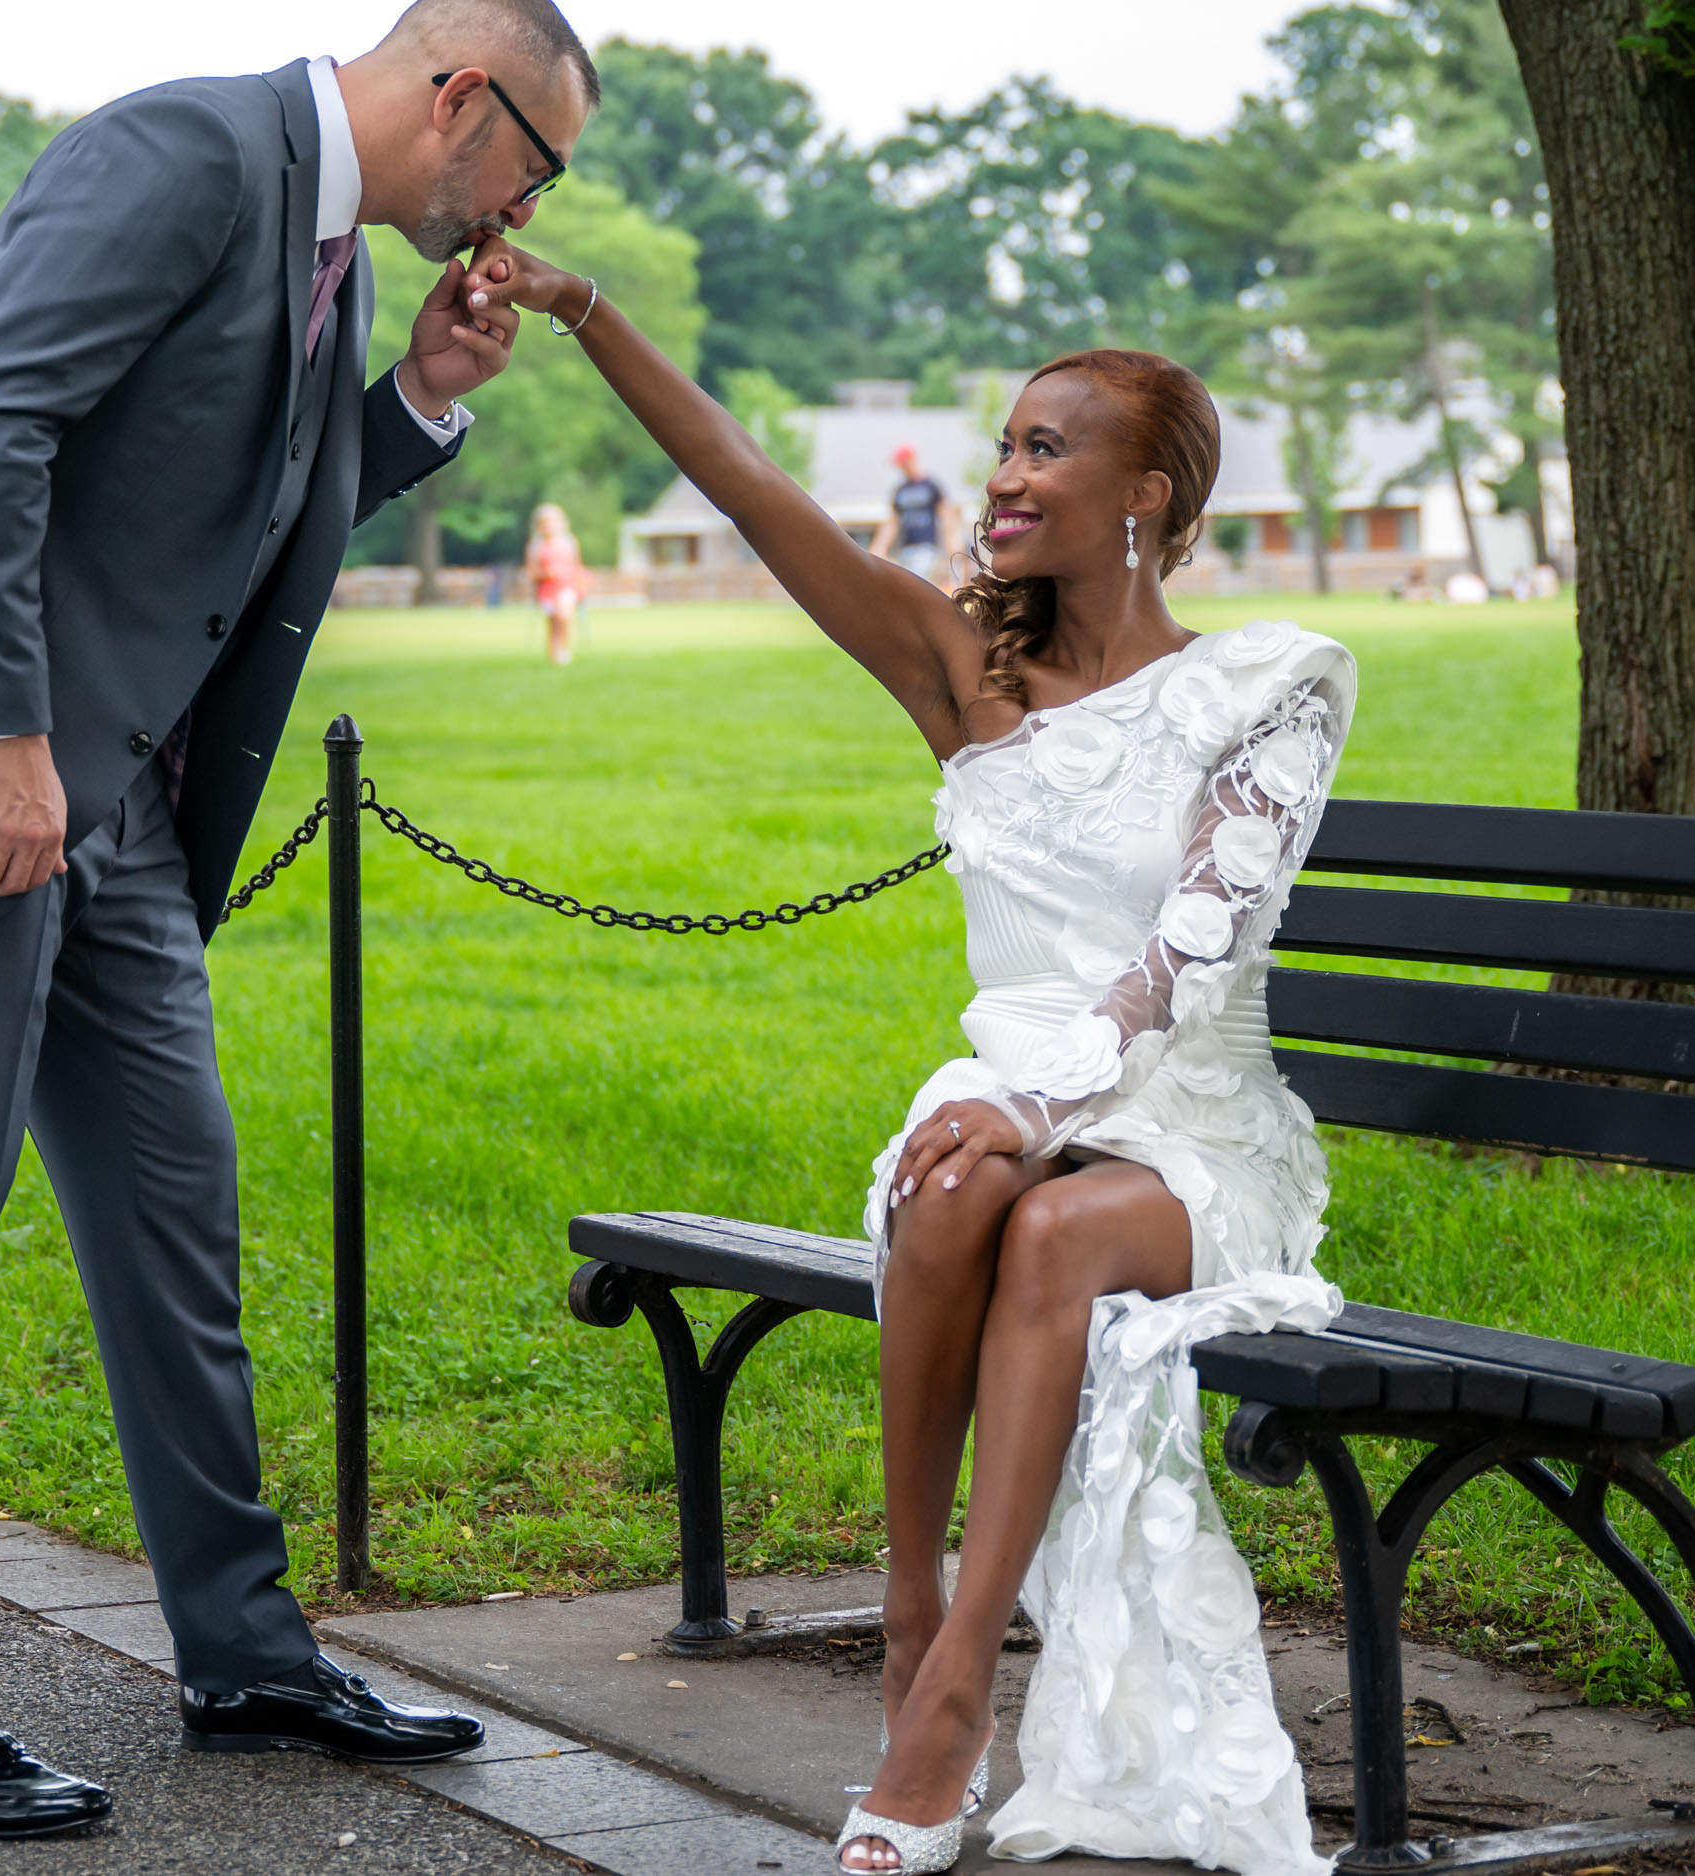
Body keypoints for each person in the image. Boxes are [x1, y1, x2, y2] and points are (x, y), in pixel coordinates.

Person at [0, 0, 594, 1842]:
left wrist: (423, 397)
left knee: (175, 1226)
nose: (526, 216)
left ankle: (243, 1651)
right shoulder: (179, 153)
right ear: (463, 99)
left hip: (109, 800)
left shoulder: (337, 253)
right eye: (535, 166)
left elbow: (237, 525)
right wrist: (6, 737)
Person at [471, 242, 1352, 1876]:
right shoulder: (964, 671)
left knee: (1057, 1221)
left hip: (1183, 1134)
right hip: (999, 1105)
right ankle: (911, 1617)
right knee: (960, 1200)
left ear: (1147, 492)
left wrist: (1042, 1104)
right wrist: (586, 310)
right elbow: (744, 486)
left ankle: (952, 1703)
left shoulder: (1267, 686)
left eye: (1043, 449)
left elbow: (1200, 943)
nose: (1000, 477)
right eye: (1002, 445)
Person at [871, 443, 956, 589]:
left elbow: (946, 513)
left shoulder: (930, 485)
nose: (901, 468)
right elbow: (893, 521)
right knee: (907, 584)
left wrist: (951, 542)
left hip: (926, 547)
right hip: (905, 549)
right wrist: (879, 547)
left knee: (915, 584)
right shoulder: (900, 490)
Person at [524, 501, 587, 664]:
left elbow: (577, 566)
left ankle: (565, 651)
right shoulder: (536, 546)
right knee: (553, 624)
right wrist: (547, 573)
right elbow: (531, 571)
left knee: (564, 617)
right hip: (547, 589)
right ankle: (554, 654)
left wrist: (581, 584)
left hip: (566, 587)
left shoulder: (569, 542)